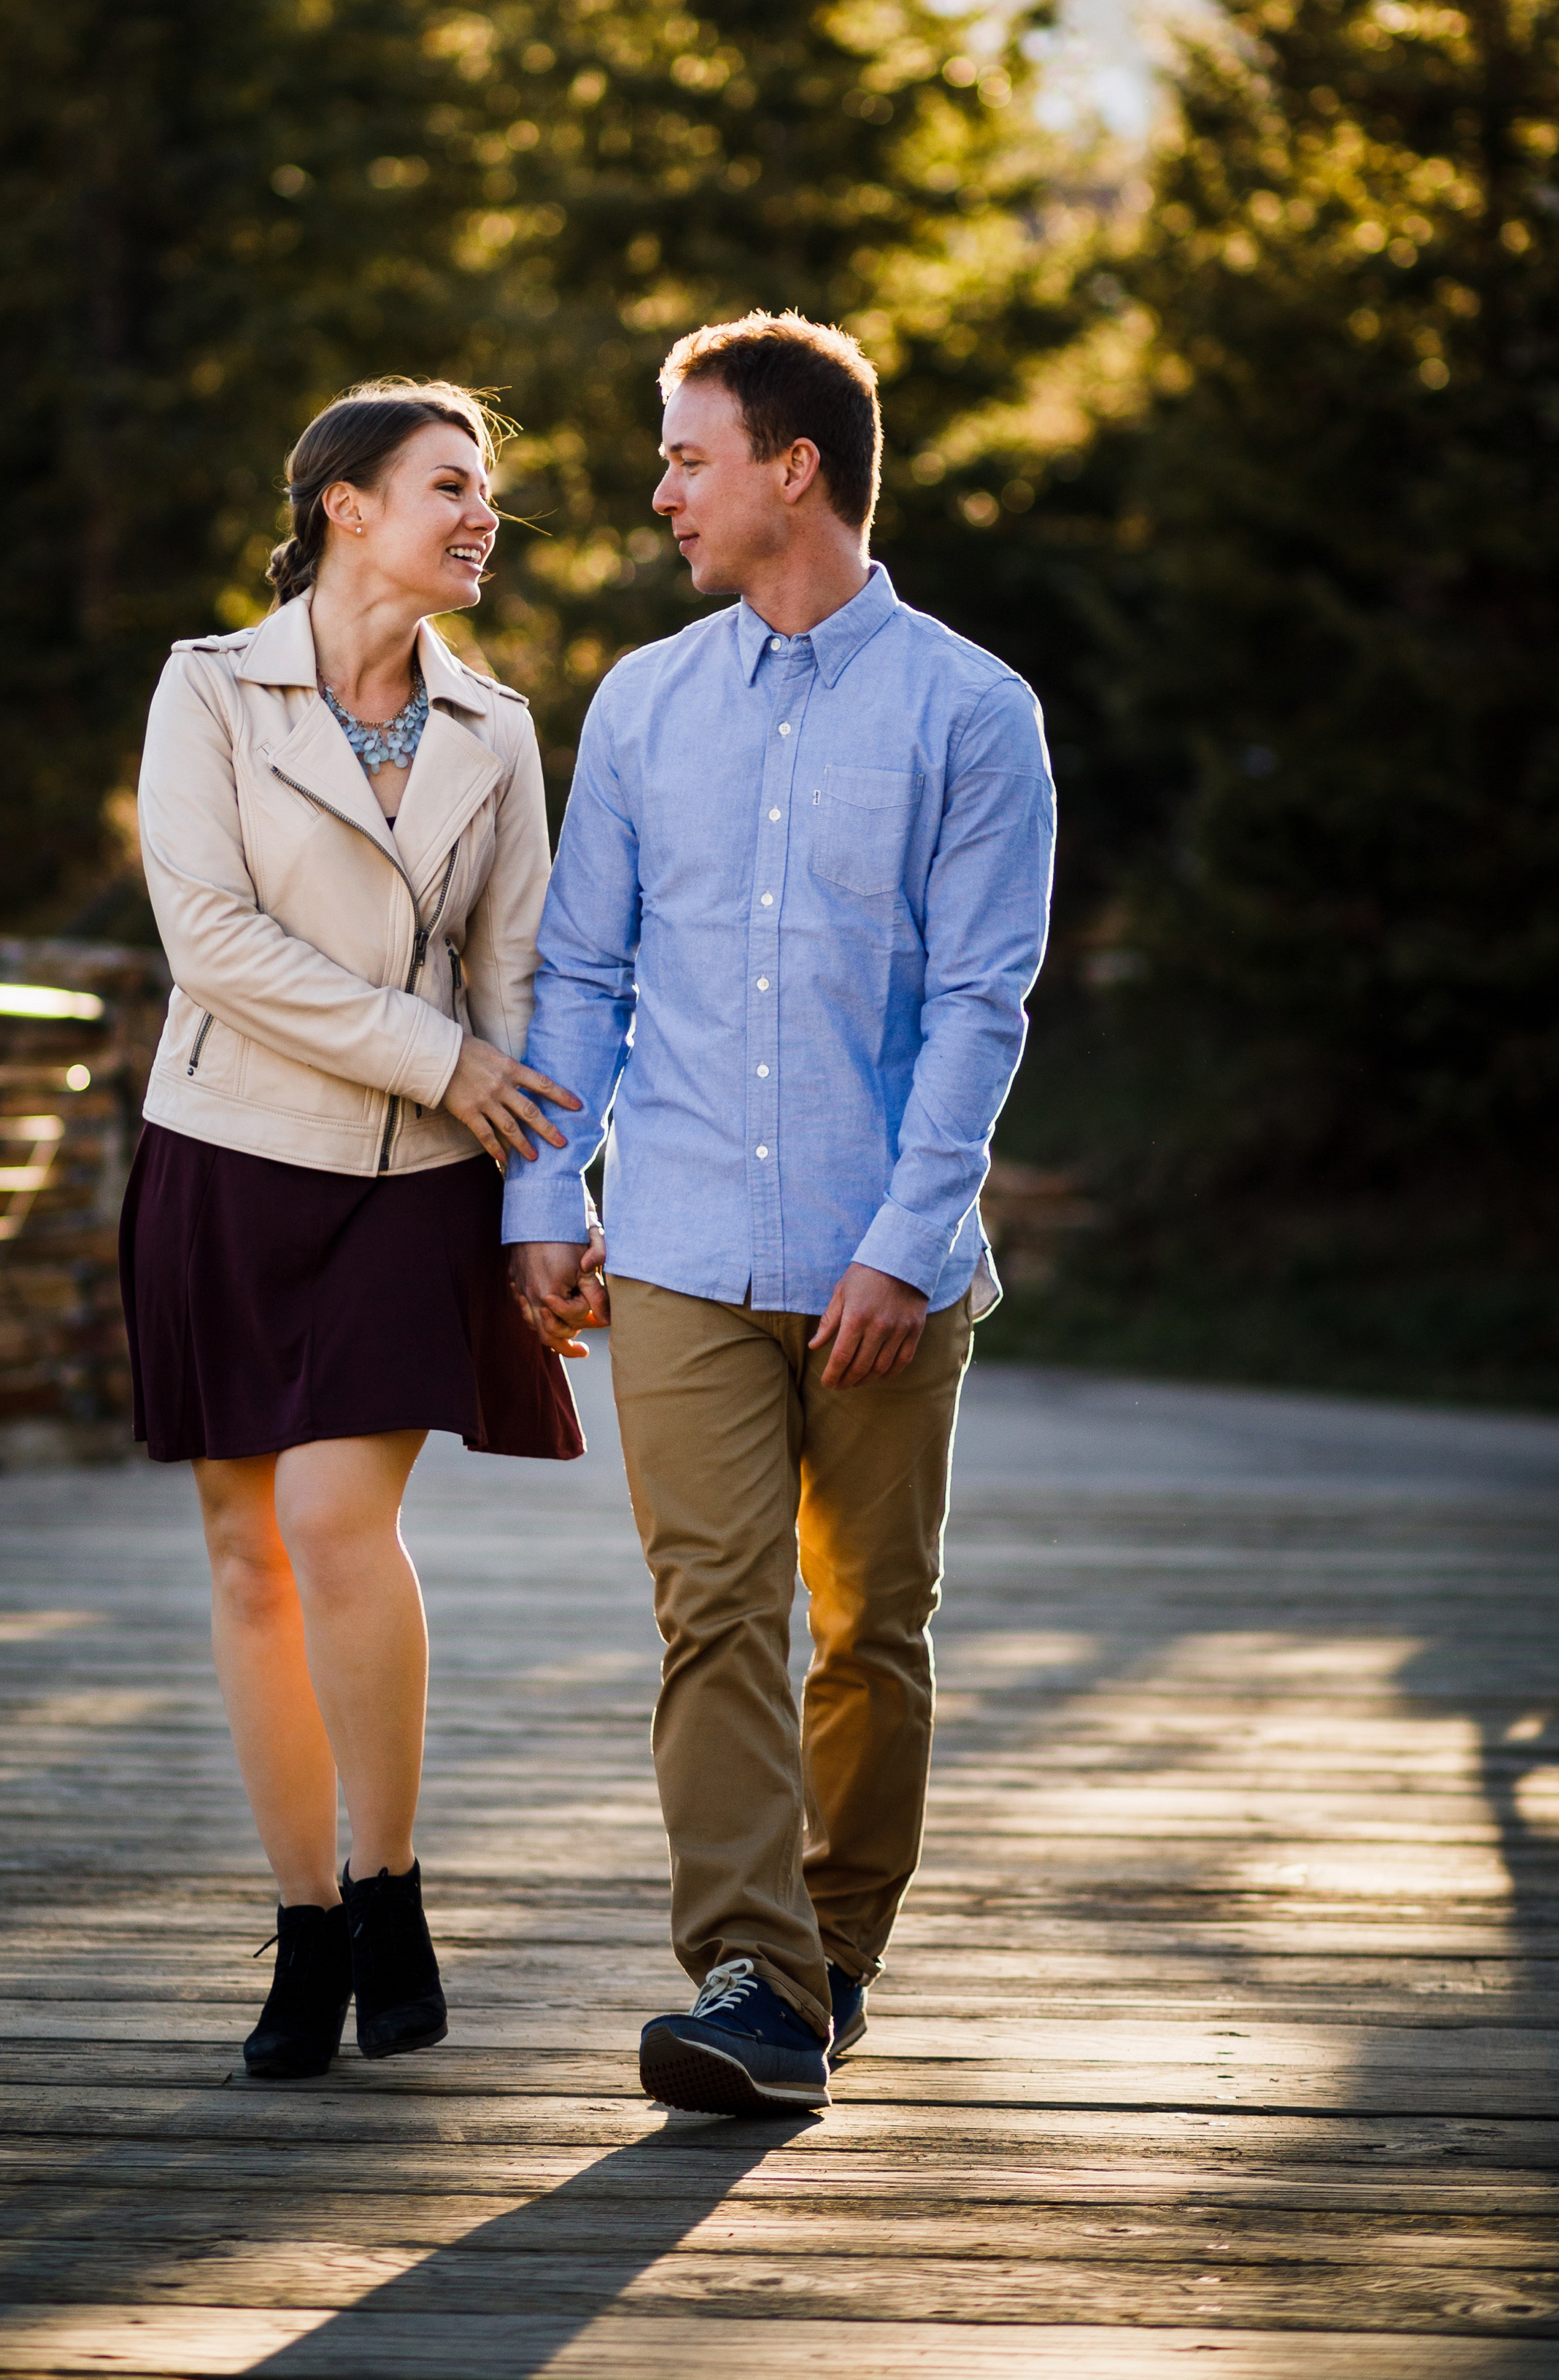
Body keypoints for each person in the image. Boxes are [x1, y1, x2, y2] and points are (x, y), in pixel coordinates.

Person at [505, 311, 1056, 2116]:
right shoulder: (647, 704)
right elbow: (581, 970)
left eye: (686, 454)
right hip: (670, 1242)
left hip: (874, 1253)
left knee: (871, 1628)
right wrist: (541, 1186)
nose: (660, 488)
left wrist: (905, 1242)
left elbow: (982, 998)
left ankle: (834, 1950)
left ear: (791, 468)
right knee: (713, 1611)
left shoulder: (973, 712)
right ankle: (748, 1971)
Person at [124, 379, 587, 2085]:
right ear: (342, 505)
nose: (482, 516)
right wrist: (442, 1052)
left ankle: (388, 1885)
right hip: (228, 1154)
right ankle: (307, 1921)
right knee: (245, 1551)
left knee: (332, 1516)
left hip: (417, 1179)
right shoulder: (207, 689)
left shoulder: (501, 727)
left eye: (488, 490)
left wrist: (549, 1198)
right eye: (448, 485)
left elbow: (522, 981)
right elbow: (212, 939)